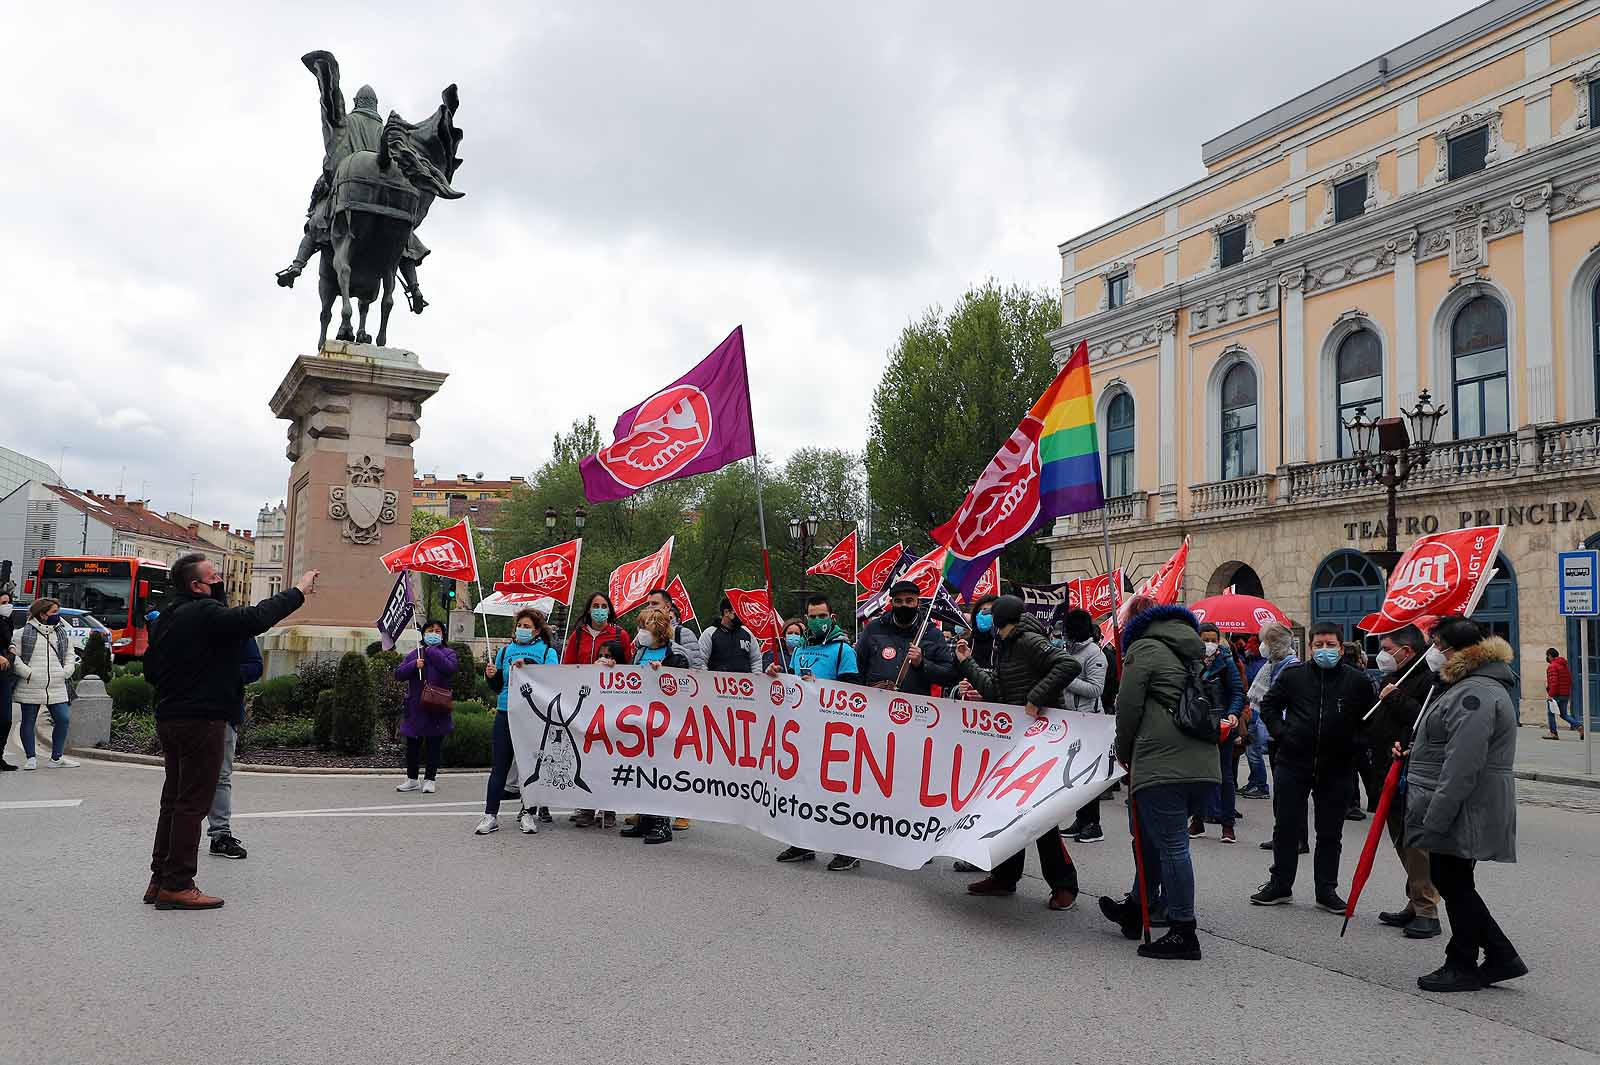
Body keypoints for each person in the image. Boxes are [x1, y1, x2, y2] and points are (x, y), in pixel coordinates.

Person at [144, 554, 315, 910]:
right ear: (196, 585)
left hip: (170, 716)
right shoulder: (204, 613)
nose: (220, 579)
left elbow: (151, 670)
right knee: (193, 804)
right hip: (202, 719)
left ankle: (159, 878)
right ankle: (178, 884)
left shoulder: (167, 617)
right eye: (214, 576)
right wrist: (298, 591)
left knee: (173, 802)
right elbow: (254, 618)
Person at [1095, 596, 1225, 959]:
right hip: (1201, 761)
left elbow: (1129, 706)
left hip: (1162, 762)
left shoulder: (1145, 648)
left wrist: (1123, 750)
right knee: (1153, 840)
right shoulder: (1190, 648)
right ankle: (1137, 909)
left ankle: (1183, 931)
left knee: (1169, 845)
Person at [1406, 617, 1526, 992]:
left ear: (1457, 650)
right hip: (1463, 800)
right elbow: (1450, 745)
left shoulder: (1475, 693)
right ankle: (1498, 955)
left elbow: (1464, 764)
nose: (1434, 653)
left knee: (1452, 880)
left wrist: (1437, 817)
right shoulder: (1468, 687)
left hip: (1466, 803)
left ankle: (1463, 961)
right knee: (1454, 879)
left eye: (1438, 645)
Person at [956, 595, 1083, 910]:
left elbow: (1068, 664)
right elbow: (996, 690)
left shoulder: (1027, 640)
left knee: (1041, 816)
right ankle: (1004, 875)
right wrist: (966, 662)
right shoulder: (1006, 645)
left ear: (999, 620)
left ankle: (1064, 884)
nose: (984, 620)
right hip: (1017, 738)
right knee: (1008, 810)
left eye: (990, 616)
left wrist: (1035, 697)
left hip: (1042, 739)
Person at [1250, 622, 1375, 912]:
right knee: (1286, 827)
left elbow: (1370, 720)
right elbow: (1268, 705)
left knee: (1330, 832)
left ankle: (1326, 890)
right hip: (1293, 763)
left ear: (1341, 648)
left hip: (1337, 767)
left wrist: (1355, 745)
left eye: (1330, 645)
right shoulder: (1294, 676)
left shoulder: (1357, 682)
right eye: (1318, 645)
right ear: (1310, 647)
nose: (1324, 650)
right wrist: (1282, 734)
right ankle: (1280, 884)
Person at [771, 594, 863, 870]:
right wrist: (776, 676)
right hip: (803, 729)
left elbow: (852, 692)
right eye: (813, 616)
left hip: (835, 731)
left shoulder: (842, 650)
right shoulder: (799, 650)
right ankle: (802, 843)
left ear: (832, 617)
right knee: (804, 787)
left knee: (837, 791)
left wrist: (819, 688)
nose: (818, 620)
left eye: (823, 616)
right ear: (807, 618)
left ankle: (848, 848)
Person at [1368, 624, 1441, 940]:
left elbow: (1426, 720)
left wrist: (1395, 697)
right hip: (1388, 768)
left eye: (1387, 648)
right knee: (1399, 839)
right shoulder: (1394, 677)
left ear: (1406, 651)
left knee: (1416, 844)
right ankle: (1415, 900)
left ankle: (1427, 910)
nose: (1383, 655)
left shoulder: (1428, 679)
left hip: (1413, 772)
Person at [481, 608, 561, 836]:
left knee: (529, 767)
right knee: (499, 767)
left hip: (533, 715)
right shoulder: (505, 650)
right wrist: (492, 675)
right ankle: (490, 815)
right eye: (520, 625)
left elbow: (553, 682)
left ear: (536, 631)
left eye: (527, 626)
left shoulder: (547, 653)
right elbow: (497, 687)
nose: (522, 630)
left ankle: (528, 812)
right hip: (505, 711)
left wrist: (527, 664)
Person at [618, 607, 694, 845]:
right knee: (642, 771)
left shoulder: (675, 656)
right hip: (641, 720)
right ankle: (645, 820)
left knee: (660, 772)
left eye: (645, 627)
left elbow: (684, 687)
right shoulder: (639, 654)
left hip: (665, 722)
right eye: (639, 626)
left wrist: (664, 674)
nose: (640, 632)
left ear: (659, 629)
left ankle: (662, 824)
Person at [205, 636, 263, 861]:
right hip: (186, 713)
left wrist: (226, 674)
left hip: (223, 713)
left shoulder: (237, 626)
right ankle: (177, 835)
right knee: (185, 778)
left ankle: (220, 835)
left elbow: (255, 666)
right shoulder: (187, 620)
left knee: (220, 776)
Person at [1058, 609, 1109, 844]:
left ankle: (1093, 824)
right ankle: (1081, 819)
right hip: (1072, 719)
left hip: (1089, 720)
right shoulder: (1069, 650)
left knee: (1089, 775)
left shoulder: (1094, 653)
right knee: (1077, 775)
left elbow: (1096, 689)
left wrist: (1066, 678)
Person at [10, 598, 81, 770]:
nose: (58, 616)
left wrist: (67, 670)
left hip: (57, 683)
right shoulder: (22, 633)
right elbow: (14, 657)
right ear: (42, 614)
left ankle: (56, 758)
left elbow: (70, 653)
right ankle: (30, 758)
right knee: (28, 721)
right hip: (31, 684)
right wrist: (28, 673)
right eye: (54, 612)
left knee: (63, 719)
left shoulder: (61, 632)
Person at [1192, 622, 1245, 844]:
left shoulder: (1226, 660)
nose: (1210, 644)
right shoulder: (1191, 660)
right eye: (1205, 639)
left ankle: (1227, 825)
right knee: (1197, 775)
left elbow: (1237, 691)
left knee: (1225, 776)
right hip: (1197, 724)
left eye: (1213, 639)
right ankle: (1197, 820)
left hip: (1223, 724)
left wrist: (1233, 713)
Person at [855, 580, 957, 694]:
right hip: (877, 703)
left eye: (909, 601)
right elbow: (857, 667)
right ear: (891, 603)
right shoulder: (874, 628)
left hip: (915, 706)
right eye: (898, 601)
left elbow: (949, 674)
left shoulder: (932, 634)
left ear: (918, 602)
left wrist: (922, 663)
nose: (904, 605)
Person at [394, 619, 459, 796]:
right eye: (430, 630)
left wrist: (432, 652)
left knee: (433, 744)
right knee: (413, 745)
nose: (434, 634)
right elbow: (398, 674)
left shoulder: (448, 653)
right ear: (423, 634)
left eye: (438, 631)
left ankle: (430, 779)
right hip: (416, 707)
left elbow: (450, 669)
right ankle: (412, 779)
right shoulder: (415, 654)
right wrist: (414, 665)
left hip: (437, 706)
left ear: (443, 635)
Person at [1238, 635, 1271, 799]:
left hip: (1254, 710)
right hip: (1253, 709)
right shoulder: (1256, 662)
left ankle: (1260, 785)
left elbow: (1250, 682)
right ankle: (1254, 781)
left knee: (1253, 750)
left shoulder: (1259, 665)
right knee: (1252, 749)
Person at [563, 592, 633, 666]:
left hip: (611, 677)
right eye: (596, 606)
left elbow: (628, 666)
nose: (600, 609)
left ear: (609, 610)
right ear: (589, 610)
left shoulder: (621, 635)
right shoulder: (577, 635)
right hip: (584, 677)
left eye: (604, 606)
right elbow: (568, 667)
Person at [645, 587, 705, 669]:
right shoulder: (643, 635)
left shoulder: (683, 633)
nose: (649, 607)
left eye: (654, 603)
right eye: (648, 604)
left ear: (667, 607)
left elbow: (697, 667)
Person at [700, 596, 762, 673]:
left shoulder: (747, 633)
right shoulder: (709, 633)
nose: (741, 615)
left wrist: (756, 679)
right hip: (717, 683)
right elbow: (701, 661)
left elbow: (756, 661)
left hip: (745, 683)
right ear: (726, 612)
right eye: (737, 611)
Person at [1544, 647, 1581, 739]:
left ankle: (1553, 733)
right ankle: (1579, 726)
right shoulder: (1564, 665)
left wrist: (1550, 695)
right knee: (1563, 714)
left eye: (1547, 656)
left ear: (1550, 656)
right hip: (1565, 694)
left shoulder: (1552, 666)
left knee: (1551, 713)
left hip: (1556, 694)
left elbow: (1554, 682)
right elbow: (1569, 680)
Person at [0, 592, 16, 771]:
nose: (7, 605)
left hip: (4, 674)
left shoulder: (6, 620)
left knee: (5, 719)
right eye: (3, 602)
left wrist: (10, 647)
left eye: (8, 602)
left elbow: (6, 640)